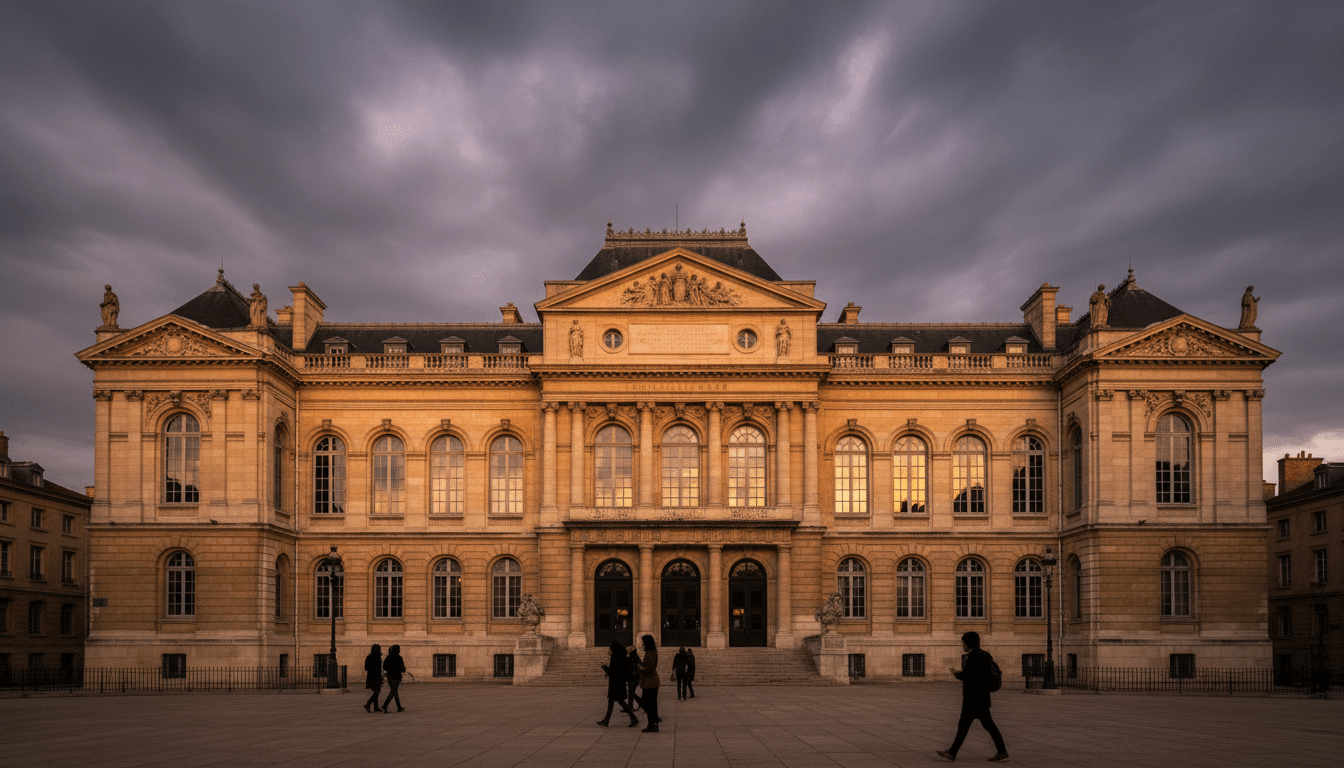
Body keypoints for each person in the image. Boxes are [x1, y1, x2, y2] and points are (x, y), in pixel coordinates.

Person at [938, 632, 1008, 762]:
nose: (962, 645)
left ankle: (953, 752)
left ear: (967, 643)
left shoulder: (973, 657)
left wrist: (957, 674)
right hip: (982, 697)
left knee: (966, 725)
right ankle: (1001, 751)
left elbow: (969, 677)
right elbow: (978, 675)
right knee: (985, 725)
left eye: (963, 642)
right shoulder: (985, 655)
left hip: (973, 699)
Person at [597, 640, 640, 728]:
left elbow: (613, 672)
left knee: (619, 701)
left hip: (615, 684)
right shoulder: (621, 657)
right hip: (619, 682)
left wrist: (604, 667)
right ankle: (606, 720)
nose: (609, 650)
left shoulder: (615, 658)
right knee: (612, 702)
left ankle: (633, 718)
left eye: (610, 648)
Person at [634, 634, 661, 732]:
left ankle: (653, 722)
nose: (642, 643)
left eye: (643, 641)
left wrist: (640, 668)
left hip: (650, 682)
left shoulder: (651, 653)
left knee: (646, 703)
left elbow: (649, 668)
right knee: (651, 704)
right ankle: (653, 723)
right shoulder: (651, 652)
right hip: (650, 682)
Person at [381, 644, 412, 712]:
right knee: (393, 691)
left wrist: (390, 670)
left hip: (390, 676)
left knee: (394, 691)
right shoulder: (399, 657)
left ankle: (399, 707)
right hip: (397, 677)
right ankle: (385, 705)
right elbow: (402, 668)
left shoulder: (388, 657)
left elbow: (384, 667)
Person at [362, 644, 383, 713]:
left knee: (376, 691)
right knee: (377, 691)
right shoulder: (377, 657)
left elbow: (366, 667)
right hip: (376, 676)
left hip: (371, 676)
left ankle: (376, 707)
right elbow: (377, 668)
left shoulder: (369, 656)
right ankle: (369, 703)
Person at [626, 646, 642, 712]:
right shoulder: (635, 657)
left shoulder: (632, 657)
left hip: (633, 678)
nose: (627, 650)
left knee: (631, 692)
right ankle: (630, 706)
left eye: (629, 649)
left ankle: (640, 702)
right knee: (630, 692)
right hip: (635, 677)